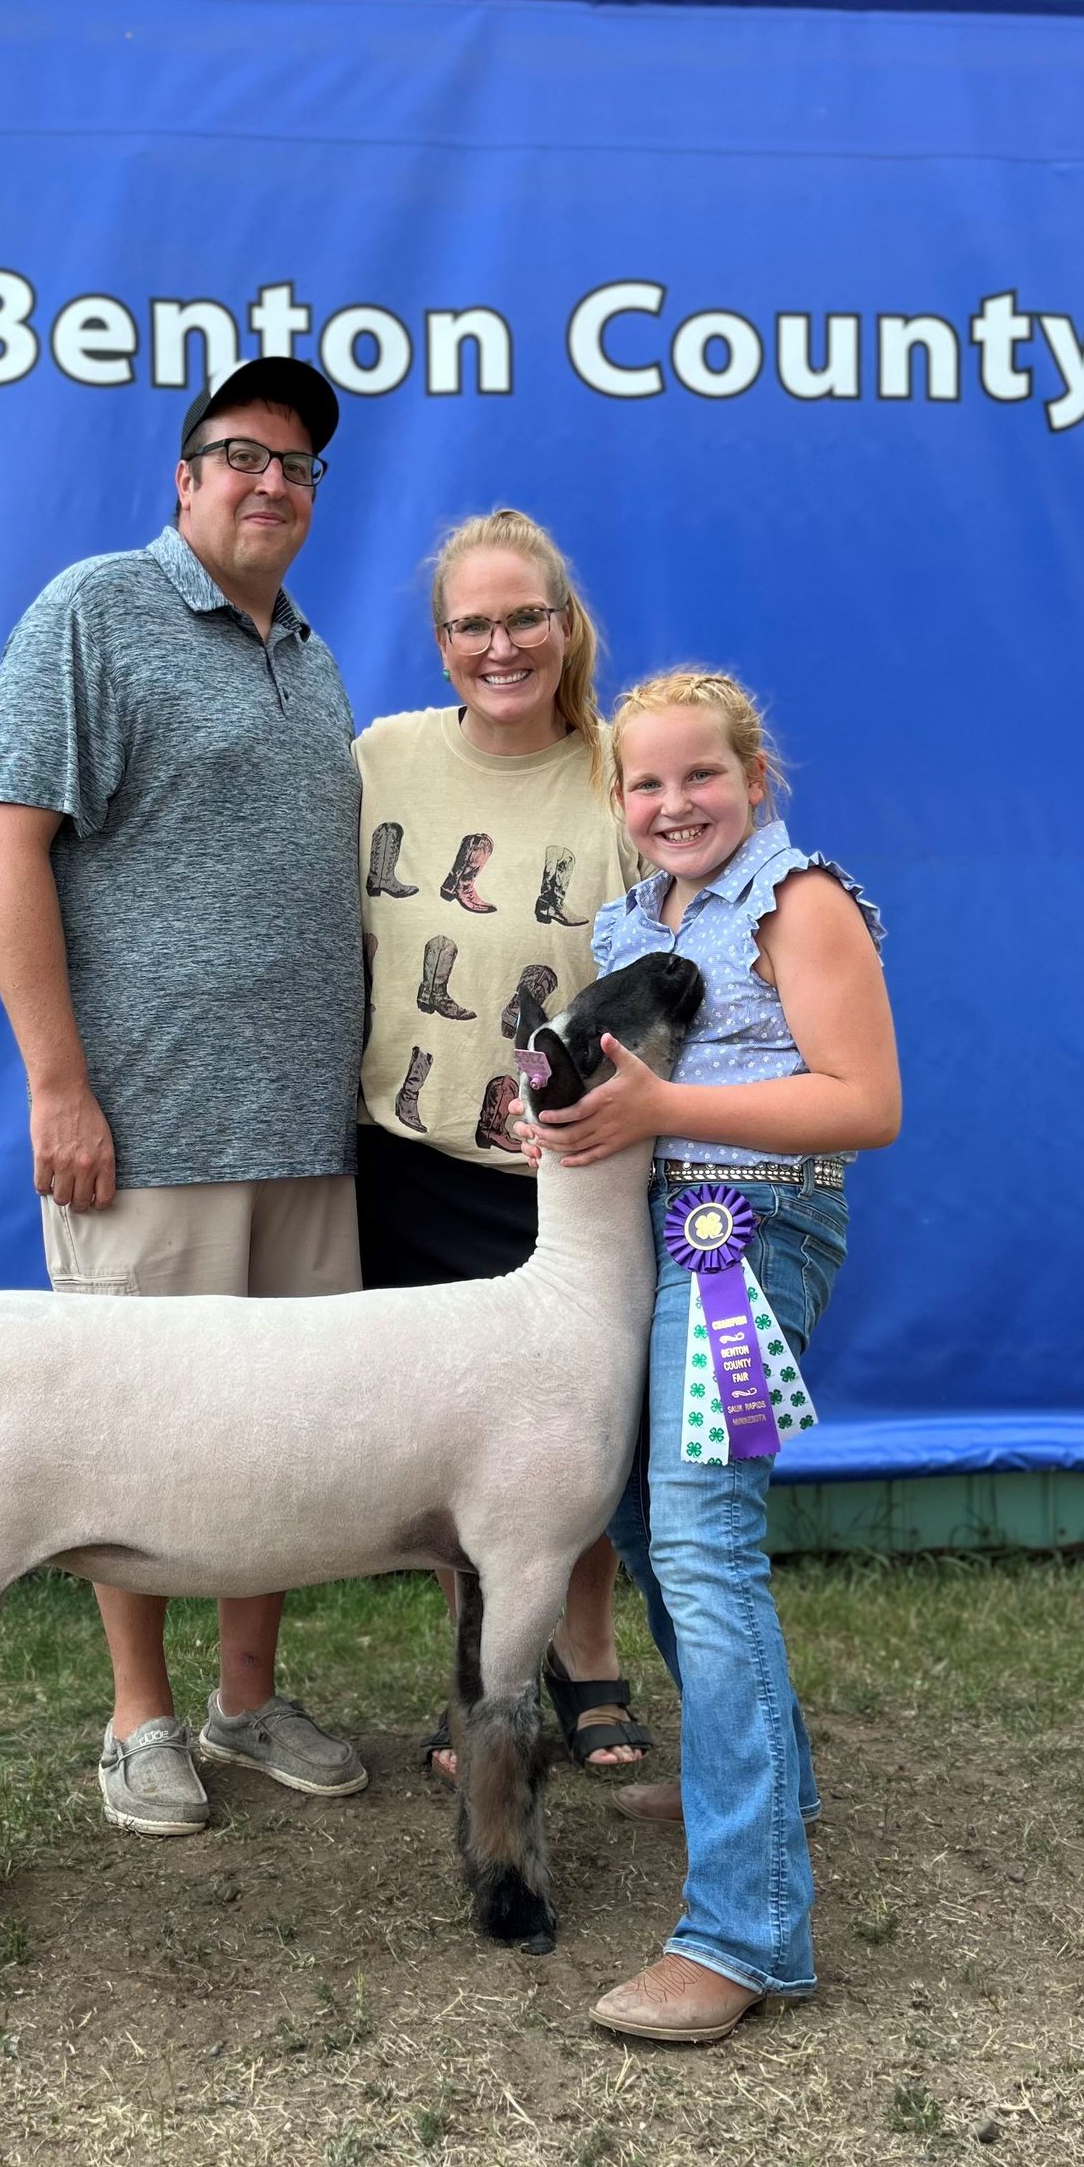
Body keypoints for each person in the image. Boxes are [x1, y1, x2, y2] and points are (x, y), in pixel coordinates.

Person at [0, 357, 369, 1836]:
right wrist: (60, 1087)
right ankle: (138, 1721)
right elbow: (9, 846)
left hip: (309, 1133)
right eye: (242, 456)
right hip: (145, 1130)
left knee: (281, 1437)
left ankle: (246, 1702)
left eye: (302, 467)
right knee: (133, 1434)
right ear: (183, 478)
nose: (274, 483)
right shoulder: (95, 611)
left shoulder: (311, 652)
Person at [531, 668, 899, 2042]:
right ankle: (771, 1779)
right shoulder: (634, 918)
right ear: (619, 800)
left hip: (748, 1236)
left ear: (758, 776)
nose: (675, 802)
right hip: (652, 1239)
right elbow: (617, 1107)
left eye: (703, 776)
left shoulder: (800, 905)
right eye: (647, 783)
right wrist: (563, 1125)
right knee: (637, 1517)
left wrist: (663, 1105)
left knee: (700, 1541)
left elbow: (867, 1102)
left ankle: (743, 1930)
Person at [354, 506, 650, 1777]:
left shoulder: (623, 773)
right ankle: (484, 1681)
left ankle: (585, 1661)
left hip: (566, 1176)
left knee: (567, 1446)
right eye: (471, 624)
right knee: (448, 1443)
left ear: (566, 623)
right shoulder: (380, 757)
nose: (501, 643)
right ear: (440, 643)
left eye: (525, 616)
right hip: (411, 1153)